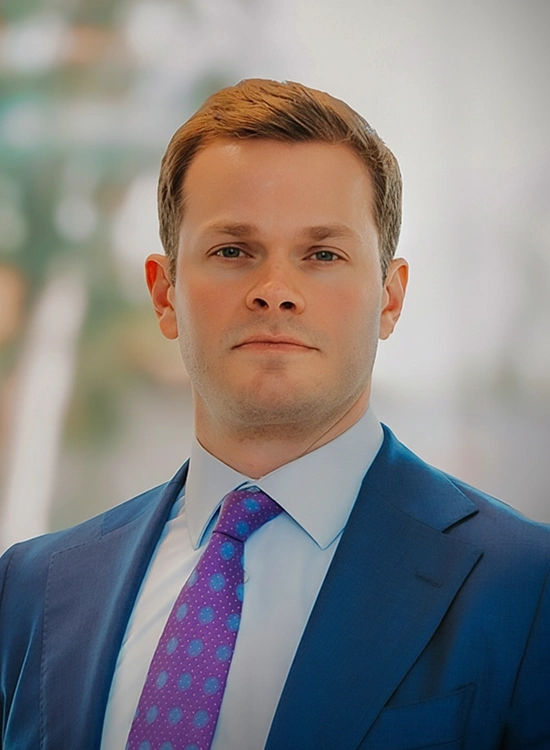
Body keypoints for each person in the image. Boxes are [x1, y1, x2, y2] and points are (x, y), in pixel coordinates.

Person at [0, 79, 549, 750]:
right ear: (164, 294)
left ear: (390, 298)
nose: (275, 292)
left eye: (322, 254)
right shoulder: (32, 590)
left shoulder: (527, 587)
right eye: (233, 250)